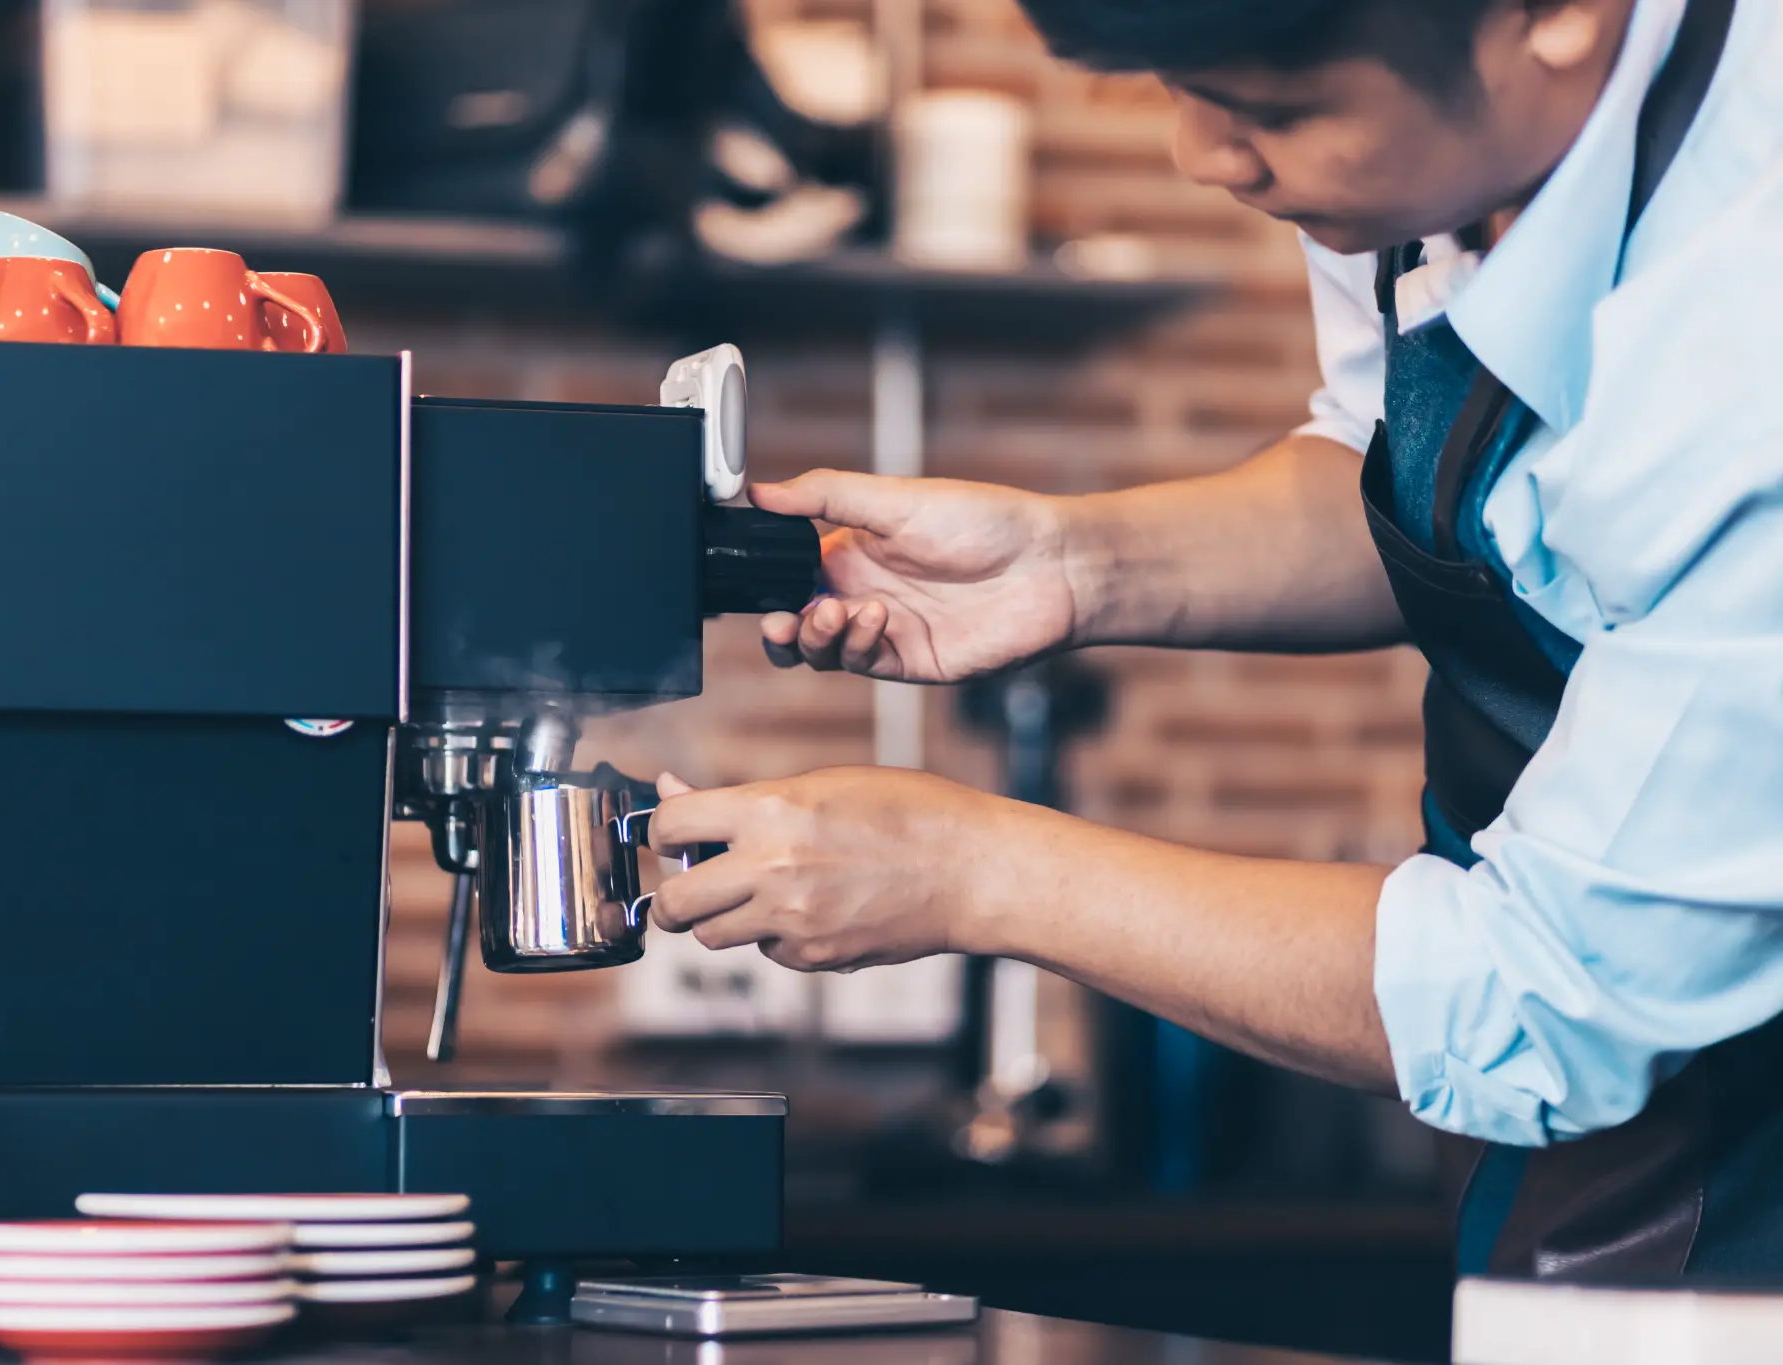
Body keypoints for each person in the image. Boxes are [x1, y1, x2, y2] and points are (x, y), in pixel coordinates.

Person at [646, 0, 1783, 1278]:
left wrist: (969, 870)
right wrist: (1068, 563)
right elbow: (1405, 460)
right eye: (1175, 92)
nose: (1207, 156)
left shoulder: (1748, 342)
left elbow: (1535, 994)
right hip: (1591, 1163)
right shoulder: (1447, 154)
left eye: (1275, 110)